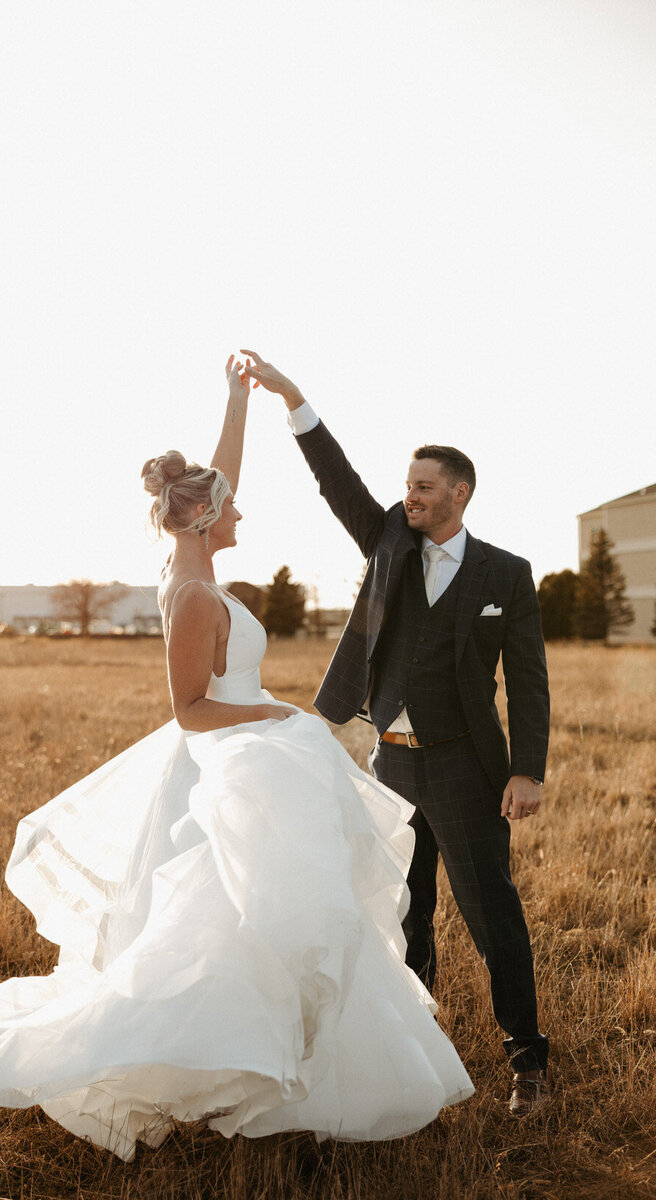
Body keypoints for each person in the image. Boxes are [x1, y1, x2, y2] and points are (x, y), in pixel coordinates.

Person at [0, 356, 473, 1161]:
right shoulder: (196, 596)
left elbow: (223, 474)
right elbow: (190, 709)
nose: (241, 506)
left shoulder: (197, 561)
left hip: (255, 757)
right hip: (228, 767)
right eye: (231, 504)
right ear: (208, 517)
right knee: (229, 927)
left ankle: (279, 1066)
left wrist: (237, 400)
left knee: (264, 926)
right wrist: (278, 712)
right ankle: (233, 1063)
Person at [241, 350, 551, 1118]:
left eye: (422, 485)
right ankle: (415, 1053)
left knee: (492, 918)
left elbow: (530, 680)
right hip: (391, 769)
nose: (407, 494)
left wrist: (527, 769)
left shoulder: (505, 574)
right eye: (407, 484)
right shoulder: (385, 538)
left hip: (467, 770)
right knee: (401, 916)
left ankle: (529, 1063)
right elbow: (335, 478)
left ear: (459, 494)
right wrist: (294, 400)